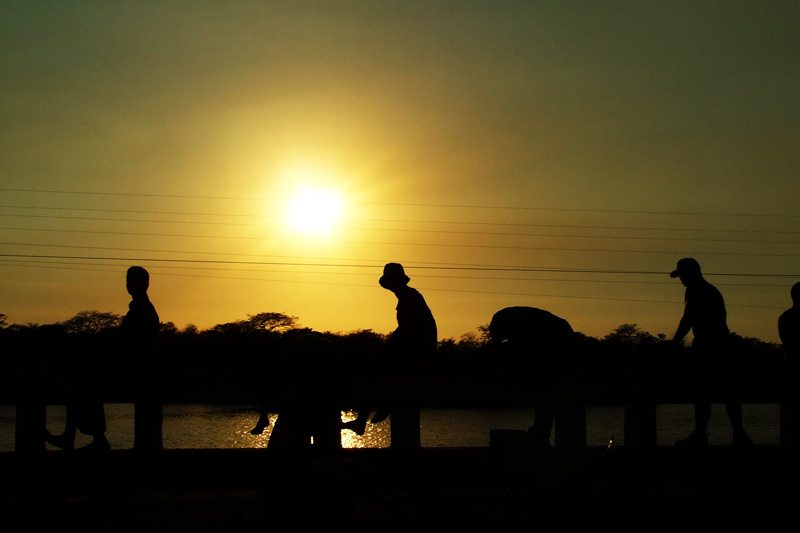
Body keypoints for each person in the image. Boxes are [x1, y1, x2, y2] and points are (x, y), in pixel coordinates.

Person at [344, 263, 437, 448]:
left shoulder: (409, 297)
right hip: (416, 346)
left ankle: (369, 415)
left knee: (373, 367)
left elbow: (408, 329)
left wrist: (388, 347)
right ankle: (379, 408)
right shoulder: (407, 297)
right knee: (378, 366)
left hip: (418, 349)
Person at [670, 258, 753, 448]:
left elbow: (688, 318)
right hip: (722, 344)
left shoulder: (696, 290)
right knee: (728, 392)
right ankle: (738, 434)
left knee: (703, 391)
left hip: (709, 345)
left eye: (683, 274)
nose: (681, 279)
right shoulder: (710, 290)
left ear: (692, 273)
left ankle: (702, 435)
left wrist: (674, 342)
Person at [489, 306, 576, 449]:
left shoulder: (523, 326)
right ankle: (541, 433)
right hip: (559, 334)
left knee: (546, 387)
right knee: (547, 388)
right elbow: (501, 354)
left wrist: (504, 366)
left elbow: (514, 353)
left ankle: (541, 434)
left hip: (559, 337)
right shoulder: (509, 322)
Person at [253, 332, 343, 455]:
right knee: (328, 452)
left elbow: (272, 386)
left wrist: (263, 416)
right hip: (319, 411)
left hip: (298, 411)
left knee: (284, 452)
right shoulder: (328, 360)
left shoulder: (292, 366)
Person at [121, 266, 161, 451]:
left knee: (84, 386)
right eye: (129, 281)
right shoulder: (140, 307)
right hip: (137, 368)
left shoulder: (142, 309)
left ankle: (97, 437)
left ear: (146, 284)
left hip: (138, 369)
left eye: (133, 281)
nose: (130, 285)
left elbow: (134, 343)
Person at [778, 282, 800, 445]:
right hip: (793, 368)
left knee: (791, 408)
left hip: (791, 368)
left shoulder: (785, 317)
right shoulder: (788, 317)